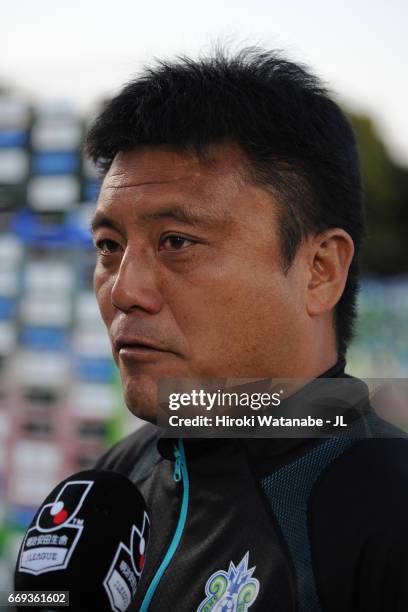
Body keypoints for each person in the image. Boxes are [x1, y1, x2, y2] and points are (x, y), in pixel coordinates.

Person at [86, 49, 408, 611]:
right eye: (110, 247)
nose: (124, 292)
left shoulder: (389, 515)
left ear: (320, 271)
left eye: (176, 242)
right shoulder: (112, 484)